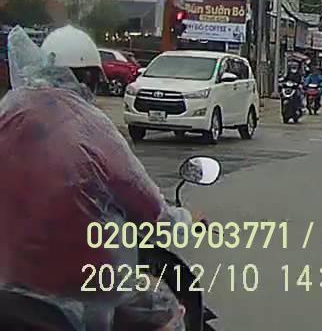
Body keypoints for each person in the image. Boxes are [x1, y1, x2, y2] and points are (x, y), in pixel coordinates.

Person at [0, 25, 197, 330]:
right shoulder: (90, 126)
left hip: (10, 285)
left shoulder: (8, 110)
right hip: (84, 290)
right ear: (88, 77)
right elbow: (149, 207)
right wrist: (185, 221)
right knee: (166, 312)